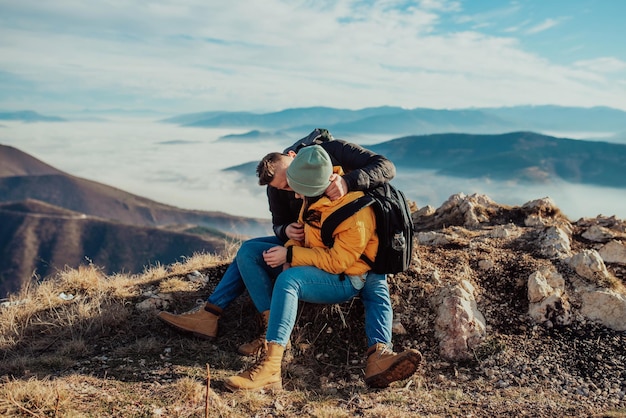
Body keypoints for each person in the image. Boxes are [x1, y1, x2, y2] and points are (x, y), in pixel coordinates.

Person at [158, 129, 397, 356]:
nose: (292, 191)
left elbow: (386, 167)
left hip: (360, 241)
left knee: (375, 282)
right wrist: (286, 232)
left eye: (290, 182)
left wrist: (348, 182)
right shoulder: (278, 188)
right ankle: (225, 318)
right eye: (284, 187)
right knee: (249, 251)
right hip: (310, 243)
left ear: (293, 156)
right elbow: (279, 223)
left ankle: (380, 352)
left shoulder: (336, 151)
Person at [224, 145, 422, 392]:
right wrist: (288, 246)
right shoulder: (314, 193)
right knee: (253, 253)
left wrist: (291, 255)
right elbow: (303, 229)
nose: (294, 196)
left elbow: (338, 262)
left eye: (295, 189)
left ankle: (271, 368)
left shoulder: (354, 213)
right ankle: (266, 341)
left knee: (290, 281)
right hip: (325, 264)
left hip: (348, 277)